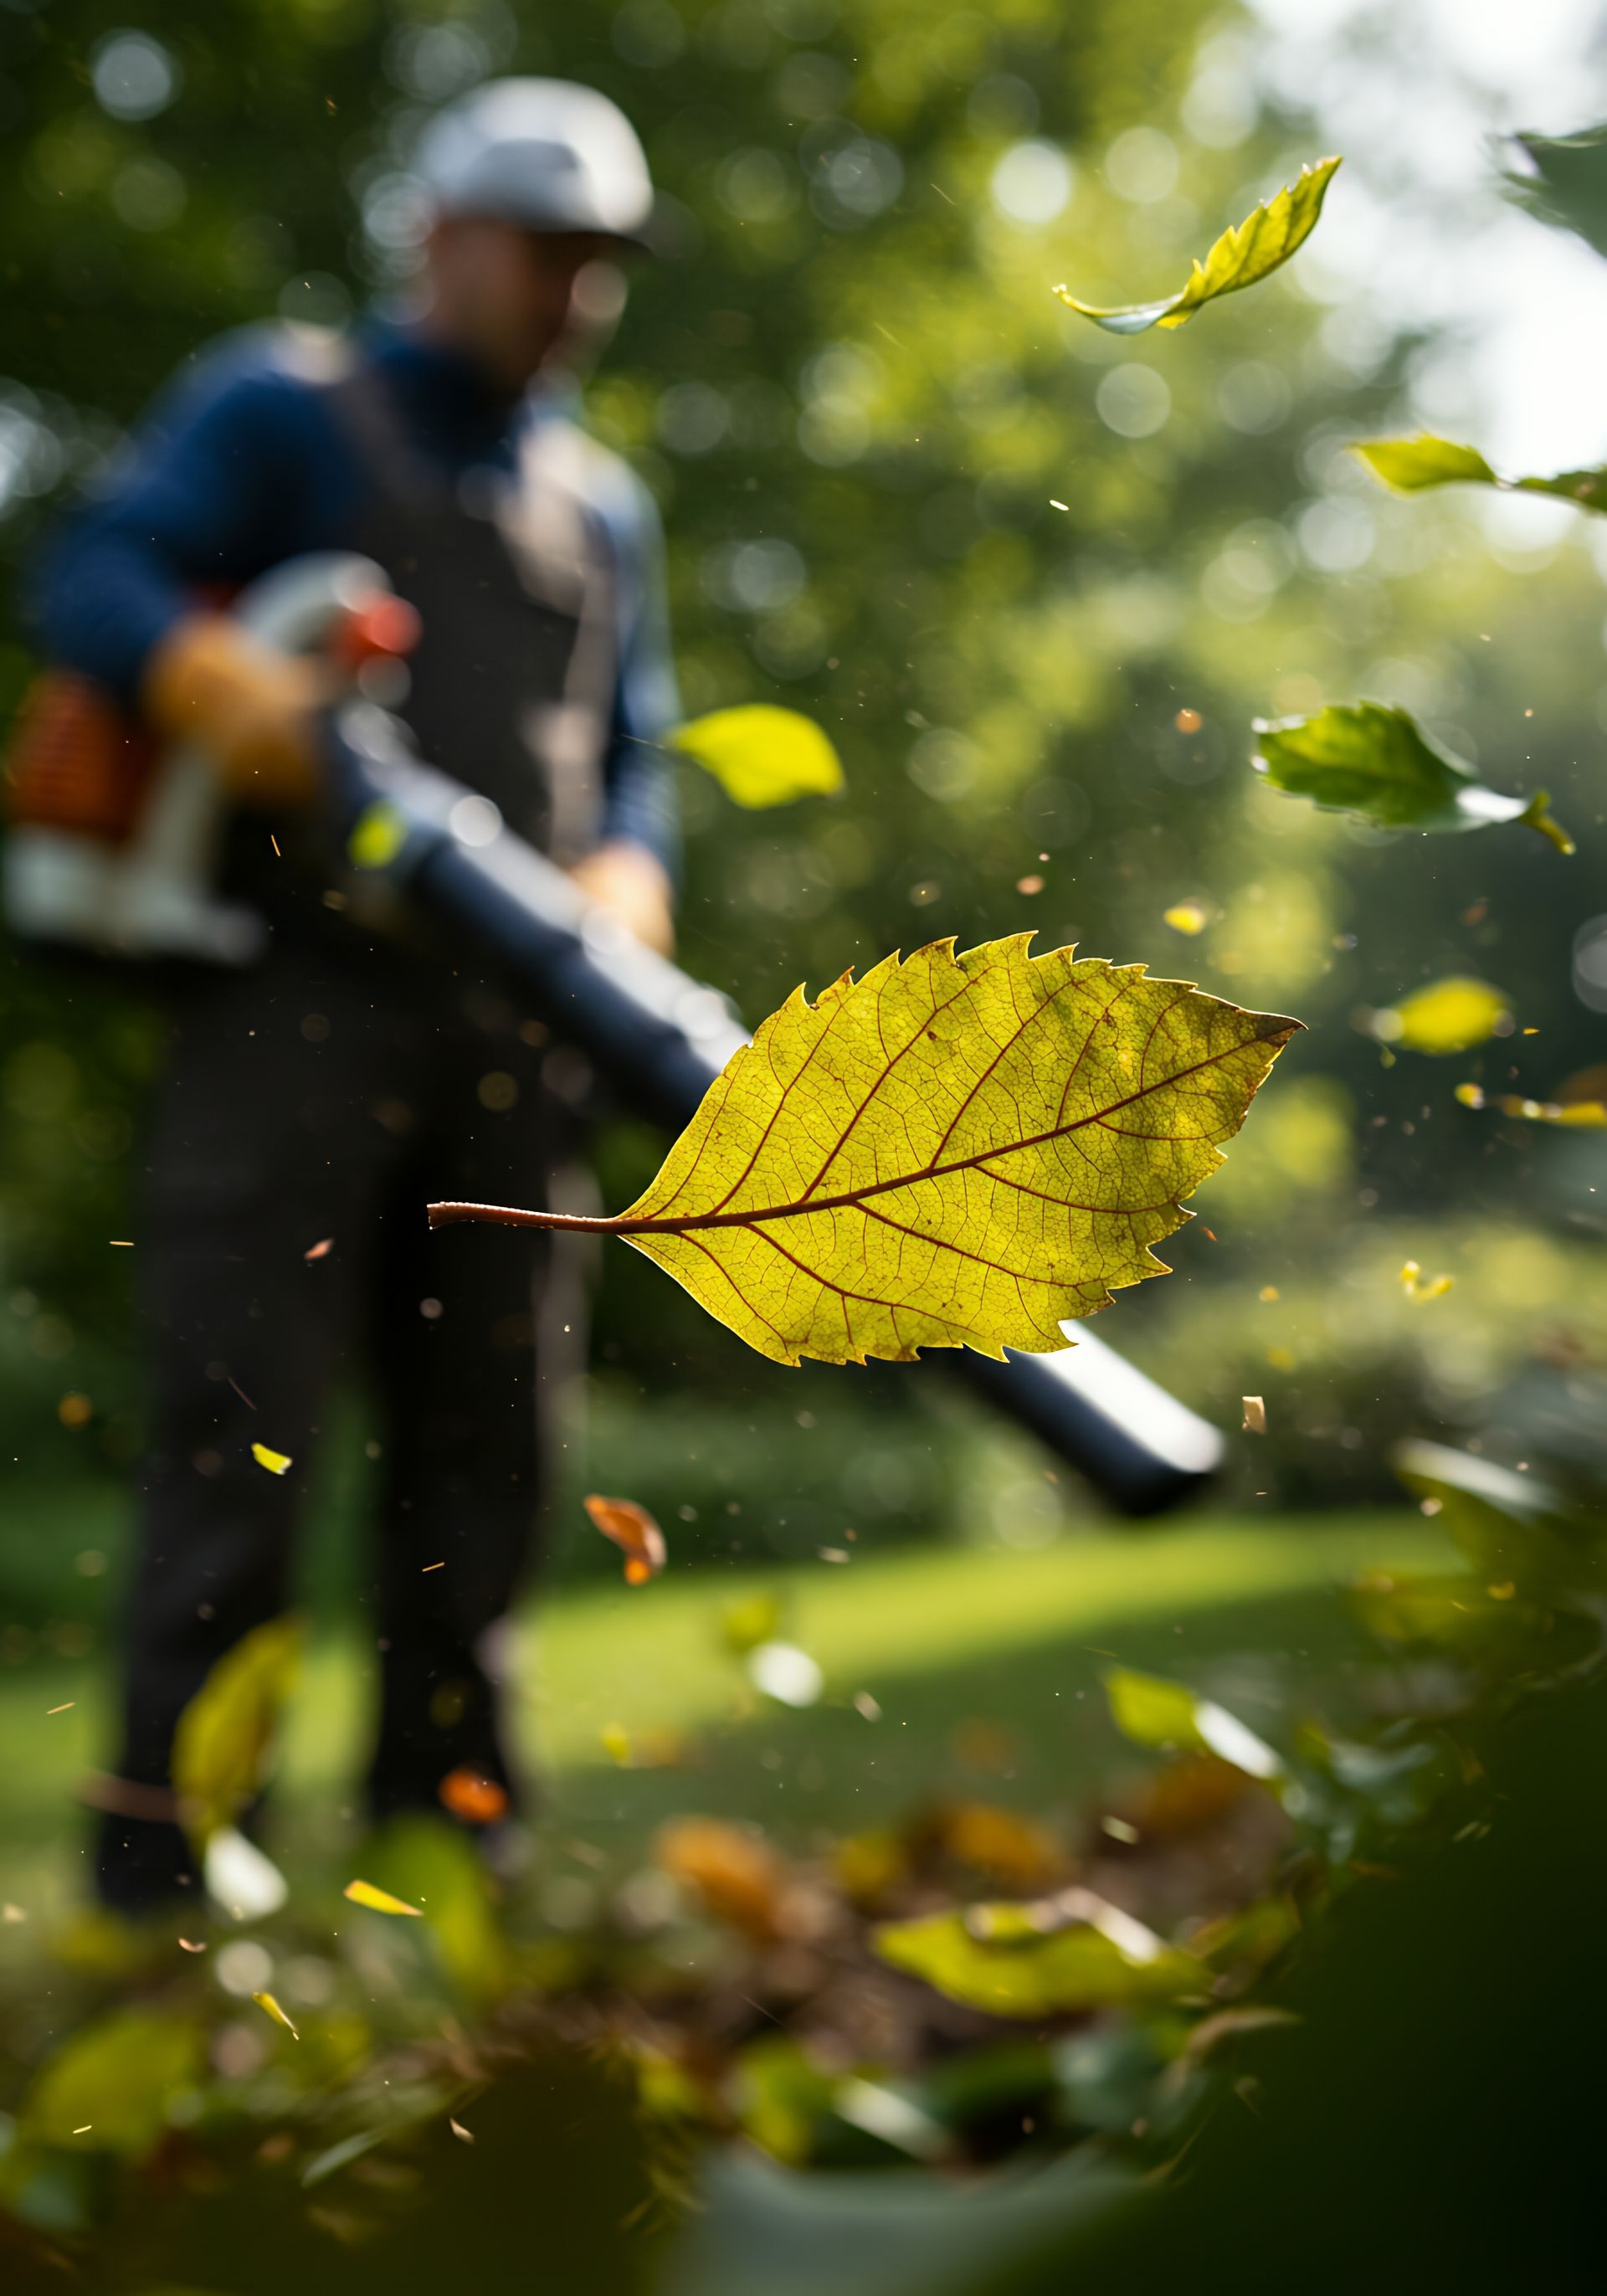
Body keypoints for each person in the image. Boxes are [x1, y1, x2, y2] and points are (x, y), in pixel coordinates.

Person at [26, 79, 680, 1909]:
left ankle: (443, 1886)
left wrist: (630, 874)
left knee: (487, 1477)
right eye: (542, 252)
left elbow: (640, 752)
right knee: (234, 1460)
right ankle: (163, 1907)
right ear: (438, 236)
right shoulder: (280, 408)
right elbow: (91, 571)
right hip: (285, 1016)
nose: (570, 294)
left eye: (598, 266)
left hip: (517, 1041)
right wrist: (203, 672)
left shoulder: (602, 504)